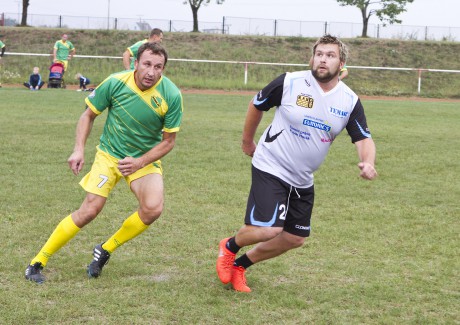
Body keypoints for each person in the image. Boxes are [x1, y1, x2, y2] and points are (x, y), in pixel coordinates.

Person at [216, 34, 377, 292]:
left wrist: (367, 162)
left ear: (341, 62)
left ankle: (240, 265)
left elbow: (363, 139)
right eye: (319, 54)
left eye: (330, 55)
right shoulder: (290, 82)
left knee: (295, 237)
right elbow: (257, 105)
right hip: (271, 164)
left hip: (302, 178)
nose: (323, 59)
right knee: (269, 229)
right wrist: (247, 142)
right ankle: (229, 246)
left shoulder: (349, 101)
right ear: (312, 57)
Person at [25, 42, 184, 284]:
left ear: (164, 69)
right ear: (136, 63)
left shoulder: (171, 95)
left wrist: (140, 162)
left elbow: (169, 141)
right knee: (90, 210)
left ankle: (105, 249)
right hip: (110, 155)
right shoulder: (115, 82)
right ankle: (37, 262)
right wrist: (78, 149)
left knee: (153, 208)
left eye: (158, 67)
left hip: (143, 159)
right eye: (147, 64)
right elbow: (88, 115)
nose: (151, 72)